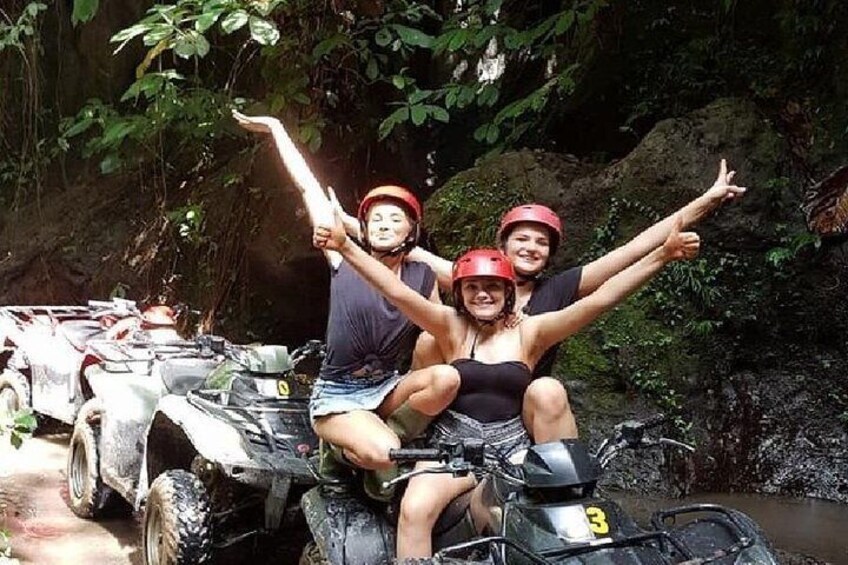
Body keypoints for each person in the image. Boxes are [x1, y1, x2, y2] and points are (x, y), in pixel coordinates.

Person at [314, 205, 701, 558]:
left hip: (514, 451)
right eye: (473, 288)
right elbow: (394, 289)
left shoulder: (532, 331)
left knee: (547, 392)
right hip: (455, 452)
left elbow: (598, 301)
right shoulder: (449, 326)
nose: (483, 294)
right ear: (461, 294)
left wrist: (662, 256)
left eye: (493, 287)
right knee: (415, 510)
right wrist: (347, 247)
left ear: (507, 293)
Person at [332, 160, 745, 442]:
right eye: (521, 239)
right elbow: (401, 255)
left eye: (541, 242)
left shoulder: (558, 291)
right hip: (455, 400)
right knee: (427, 341)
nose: (530, 248)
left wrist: (702, 205)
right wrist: (352, 231)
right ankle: (413, 434)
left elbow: (635, 249)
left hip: (521, 404)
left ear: (550, 252)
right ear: (502, 245)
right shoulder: (475, 282)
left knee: (547, 389)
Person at [232, 111, 460, 499]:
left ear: (412, 232)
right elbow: (308, 188)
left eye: (395, 219)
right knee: (383, 457)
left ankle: (387, 442)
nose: (384, 225)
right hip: (338, 394)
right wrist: (277, 128)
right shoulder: (343, 257)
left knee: (447, 377)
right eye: (376, 219)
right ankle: (341, 453)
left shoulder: (422, 278)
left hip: (386, 387)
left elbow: (452, 322)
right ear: (362, 226)